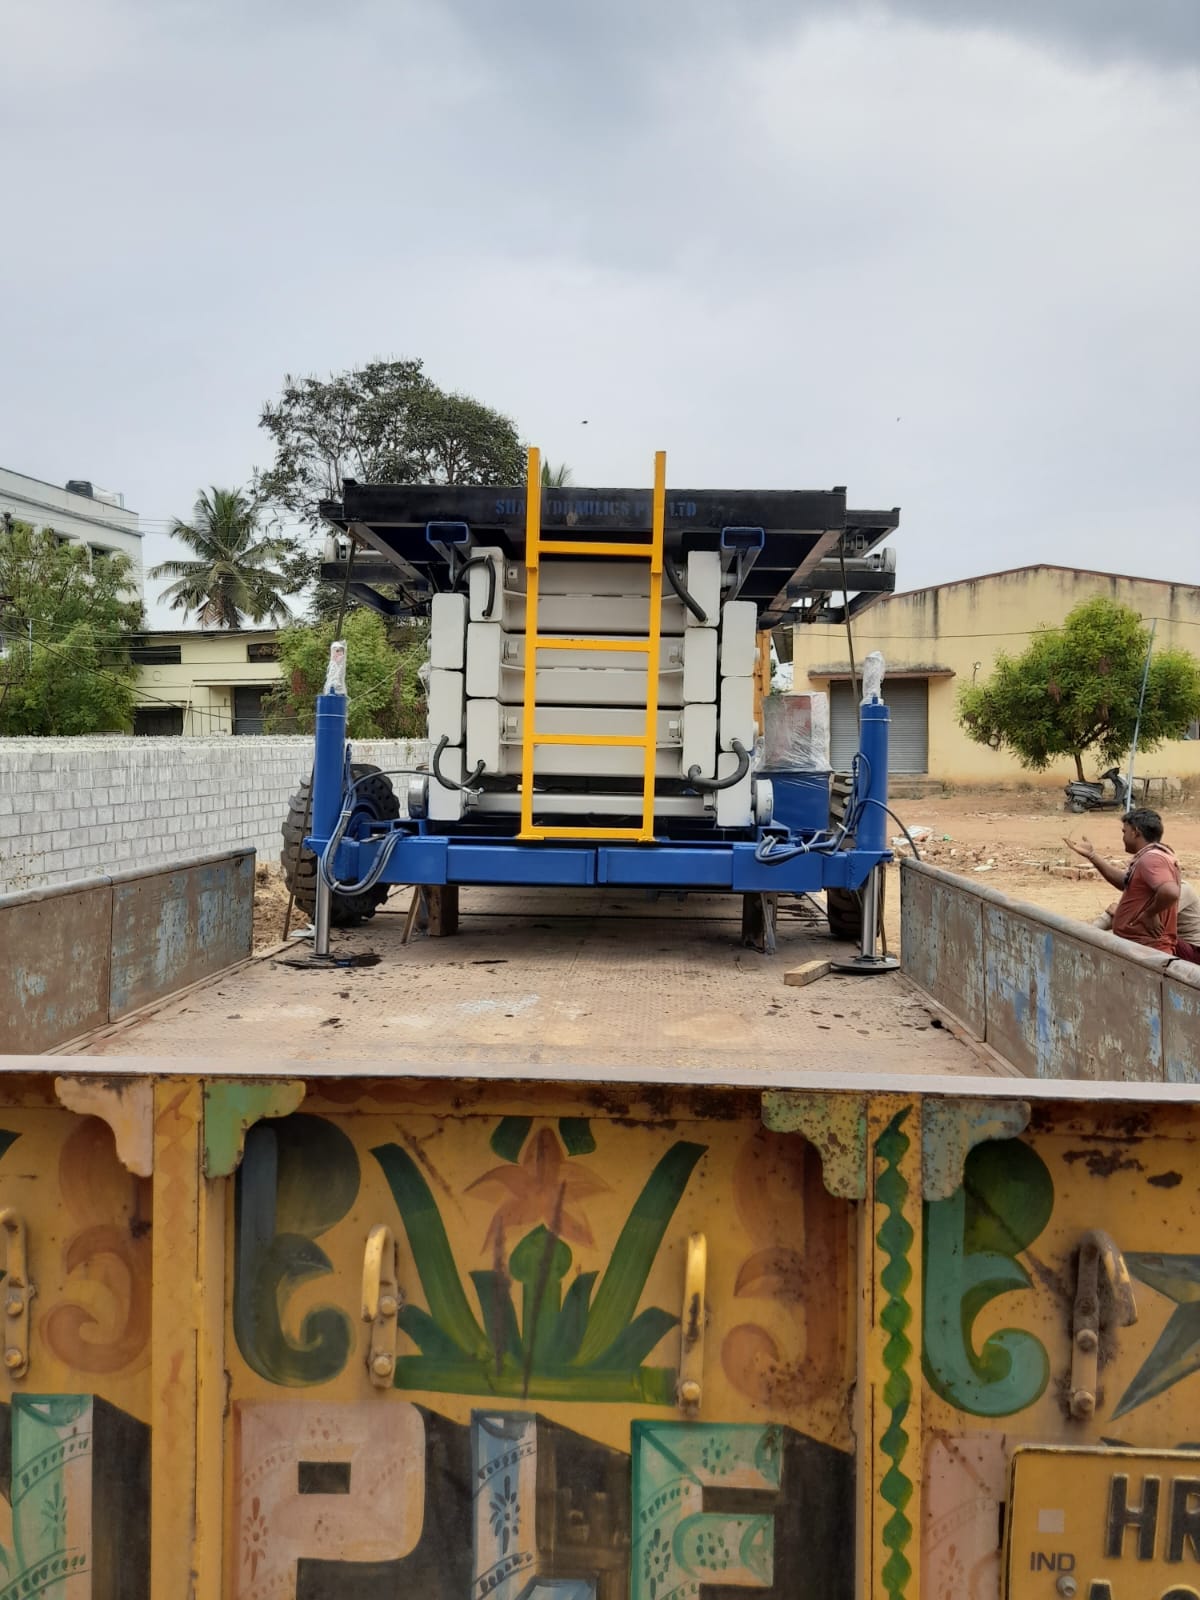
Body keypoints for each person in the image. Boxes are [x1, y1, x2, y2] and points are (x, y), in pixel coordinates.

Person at [1064, 808, 1181, 956]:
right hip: (1142, 948)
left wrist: (1149, 914)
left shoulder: (1152, 859)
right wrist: (1092, 856)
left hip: (1148, 951)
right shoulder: (1150, 857)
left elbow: (1170, 892)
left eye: (1124, 832)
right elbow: (1125, 883)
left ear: (1135, 832)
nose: (1123, 837)